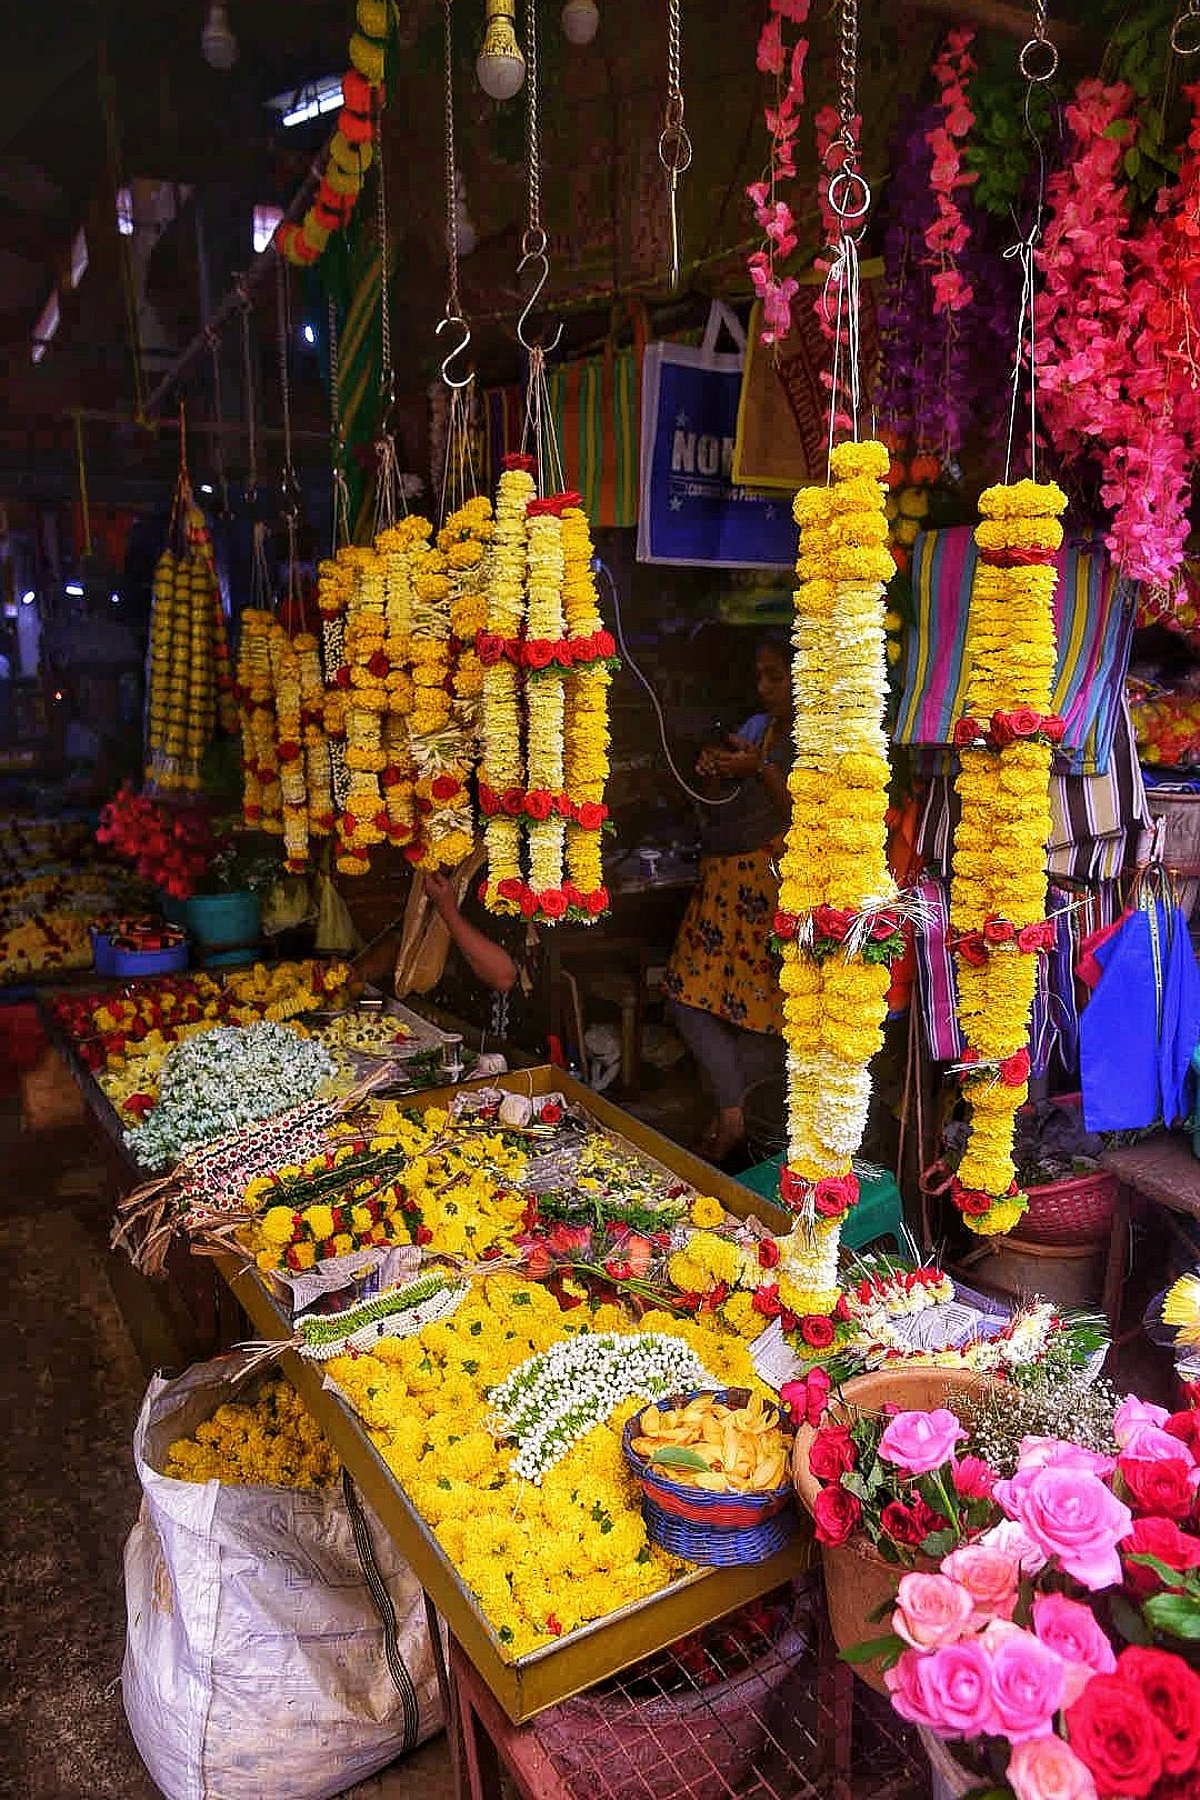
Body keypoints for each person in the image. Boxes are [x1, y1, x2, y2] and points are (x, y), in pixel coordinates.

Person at [664, 630, 791, 1164]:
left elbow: (801, 806)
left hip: (767, 892)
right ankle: (734, 1113)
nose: (763, 688)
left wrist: (759, 769)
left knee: (757, 1013)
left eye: (775, 676)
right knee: (689, 994)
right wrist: (715, 773)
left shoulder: (821, 733)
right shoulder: (759, 729)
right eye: (759, 676)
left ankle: (742, 1124)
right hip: (724, 888)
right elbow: (719, 804)